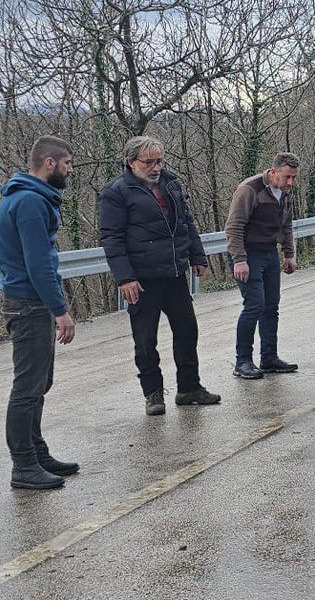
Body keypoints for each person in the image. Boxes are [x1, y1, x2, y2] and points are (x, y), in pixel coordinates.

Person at [99, 136, 220, 415]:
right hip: (141, 279)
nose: (155, 167)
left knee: (187, 330)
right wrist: (125, 278)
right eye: (148, 162)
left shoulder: (171, 184)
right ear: (131, 163)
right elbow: (112, 238)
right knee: (145, 340)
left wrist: (197, 256)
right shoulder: (116, 192)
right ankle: (153, 394)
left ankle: (189, 388)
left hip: (173, 273)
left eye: (159, 161)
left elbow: (186, 222)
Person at [0, 136, 79, 490]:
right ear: (49, 162)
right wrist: (60, 310)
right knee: (27, 387)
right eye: (67, 164)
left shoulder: (32, 197)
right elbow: (38, 263)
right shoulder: (29, 202)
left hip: (32, 302)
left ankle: (36, 451)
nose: (70, 170)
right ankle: (23, 465)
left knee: (39, 383)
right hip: (29, 304)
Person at [226, 152, 301, 380]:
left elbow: (286, 224)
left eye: (294, 178)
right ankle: (243, 361)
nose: (290, 183)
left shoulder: (286, 193)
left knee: (271, 307)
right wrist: (240, 260)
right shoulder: (250, 189)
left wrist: (289, 254)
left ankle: (269, 357)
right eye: (287, 177)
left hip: (269, 252)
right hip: (247, 254)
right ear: (273, 172)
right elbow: (234, 226)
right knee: (254, 306)